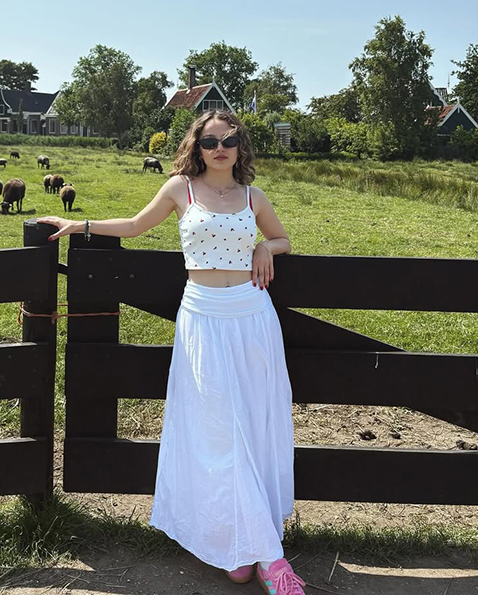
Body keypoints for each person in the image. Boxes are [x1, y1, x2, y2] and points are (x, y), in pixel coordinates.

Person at [40, 110, 305, 593]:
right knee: (218, 429)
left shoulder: (253, 196)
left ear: (240, 146)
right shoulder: (179, 188)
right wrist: (81, 224)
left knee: (253, 424)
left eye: (228, 139)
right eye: (208, 141)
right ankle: (239, 543)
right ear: (196, 146)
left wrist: (270, 248)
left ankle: (264, 553)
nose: (219, 147)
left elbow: (282, 236)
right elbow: (136, 225)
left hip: (251, 318)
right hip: (203, 318)